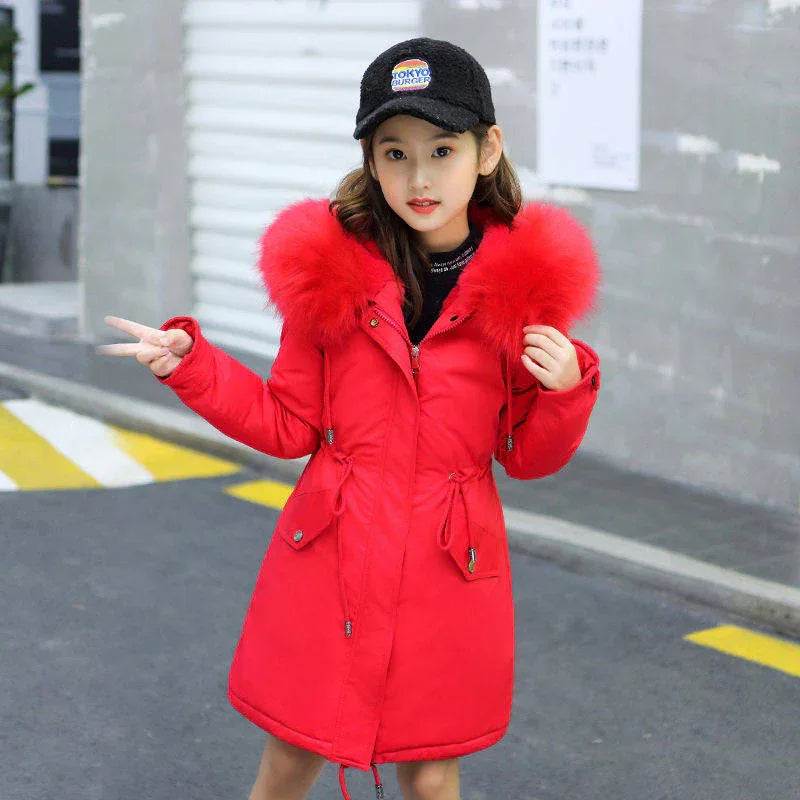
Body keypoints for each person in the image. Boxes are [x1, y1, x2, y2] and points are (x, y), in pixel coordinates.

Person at [96, 36, 602, 800]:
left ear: (488, 150)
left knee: (430, 773)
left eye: (442, 150)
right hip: (332, 553)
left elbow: (527, 457)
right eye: (395, 153)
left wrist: (567, 391)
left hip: (448, 566)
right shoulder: (330, 279)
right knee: (290, 755)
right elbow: (288, 425)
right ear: (370, 160)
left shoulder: (524, 293)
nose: (419, 177)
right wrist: (191, 366)